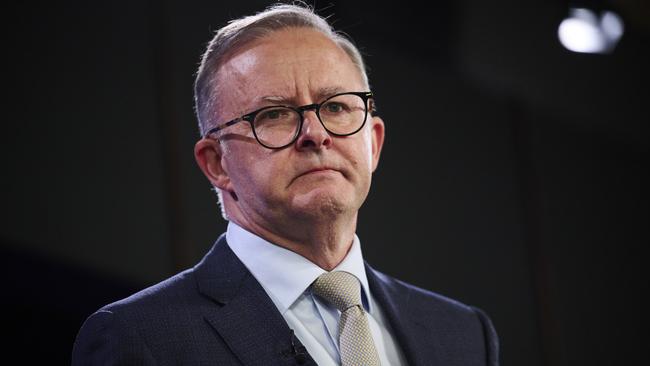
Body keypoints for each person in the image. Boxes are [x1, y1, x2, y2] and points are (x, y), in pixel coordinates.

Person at [72, 3, 499, 365]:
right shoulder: (139, 339)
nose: (315, 132)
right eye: (274, 114)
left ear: (373, 142)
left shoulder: (463, 336)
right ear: (216, 163)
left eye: (335, 106)